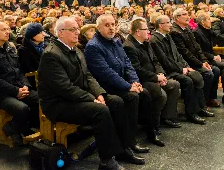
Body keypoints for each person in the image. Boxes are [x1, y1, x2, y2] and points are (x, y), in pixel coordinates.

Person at [38, 17, 141, 170]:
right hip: (58, 103)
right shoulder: (51, 55)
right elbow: (65, 88)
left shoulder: (75, 49)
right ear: (60, 33)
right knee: (100, 111)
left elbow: (88, 76)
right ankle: (106, 161)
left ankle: (123, 148)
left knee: (116, 102)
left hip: (76, 97)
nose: (77, 32)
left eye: (77, 29)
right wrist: (92, 99)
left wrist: (99, 93)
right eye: (72, 30)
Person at [85, 14, 150, 156]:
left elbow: (128, 64)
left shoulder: (116, 41)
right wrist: (128, 86)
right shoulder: (93, 46)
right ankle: (126, 145)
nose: (111, 28)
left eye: (113, 24)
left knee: (144, 93)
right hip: (105, 87)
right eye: (107, 25)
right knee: (128, 98)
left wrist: (134, 81)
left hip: (120, 83)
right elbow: (106, 73)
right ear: (98, 28)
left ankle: (135, 137)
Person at [0, 21, 39, 145]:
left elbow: (19, 71)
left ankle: (27, 127)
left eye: (8, 29)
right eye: (3, 29)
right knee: (22, 108)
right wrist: (15, 91)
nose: (8, 32)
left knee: (41, 99)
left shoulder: (9, 48)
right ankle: (11, 127)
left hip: (16, 88)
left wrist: (25, 85)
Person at [124, 18, 181, 146]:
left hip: (153, 76)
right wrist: (155, 78)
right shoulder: (129, 47)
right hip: (141, 80)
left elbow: (155, 61)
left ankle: (165, 118)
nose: (149, 32)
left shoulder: (145, 42)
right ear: (138, 32)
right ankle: (152, 128)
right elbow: (137, 70)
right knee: (159, 94)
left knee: (174, 84)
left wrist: (160, 74)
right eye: (146, 30)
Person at [150, 15, 209, 124]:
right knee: (187, 81)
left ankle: (200, 108)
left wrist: (186, 66)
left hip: (177, 68)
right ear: (161, 25)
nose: (171, 24)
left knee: (196, 75)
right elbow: (164, 61)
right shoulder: (155, 40)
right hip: (168, 71)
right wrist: (181, 69)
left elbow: (178, 55)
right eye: (168, 22)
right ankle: (191, 113)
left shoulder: (167, 36)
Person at [170, 8, 220, 111]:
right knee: (208, 73)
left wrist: (203, 61)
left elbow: (197, 47)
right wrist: (200, 64)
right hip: (186, 62)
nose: (188, 16)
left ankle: (209, 98)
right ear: (177, 18)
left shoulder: (187, 28)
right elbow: (185, 52)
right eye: (184, 14)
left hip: (195, 60)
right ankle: (201, 102)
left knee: (215, 70)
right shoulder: (175, 32)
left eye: (187, 14)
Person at [17, 23, 45, 88]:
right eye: (40, 33)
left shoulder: (44, 45)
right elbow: (28, 71)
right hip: (35, 82)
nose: (43, 34)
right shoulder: (23, 50)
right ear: (32, 35)